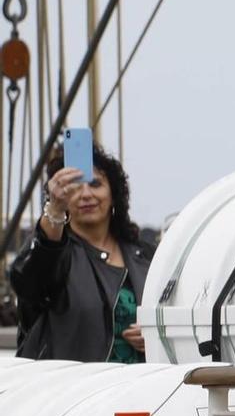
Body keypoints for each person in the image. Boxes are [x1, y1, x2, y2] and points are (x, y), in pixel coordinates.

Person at [9, 143, 150, 361]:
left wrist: (156, 334)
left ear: (113, 193)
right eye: (74, 186)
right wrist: (54, 211)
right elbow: (28, 282)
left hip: (137, 390)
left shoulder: (145, 256)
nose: (85, 194)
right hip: (72, 390)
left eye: (95, 184)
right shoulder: (53, 254)